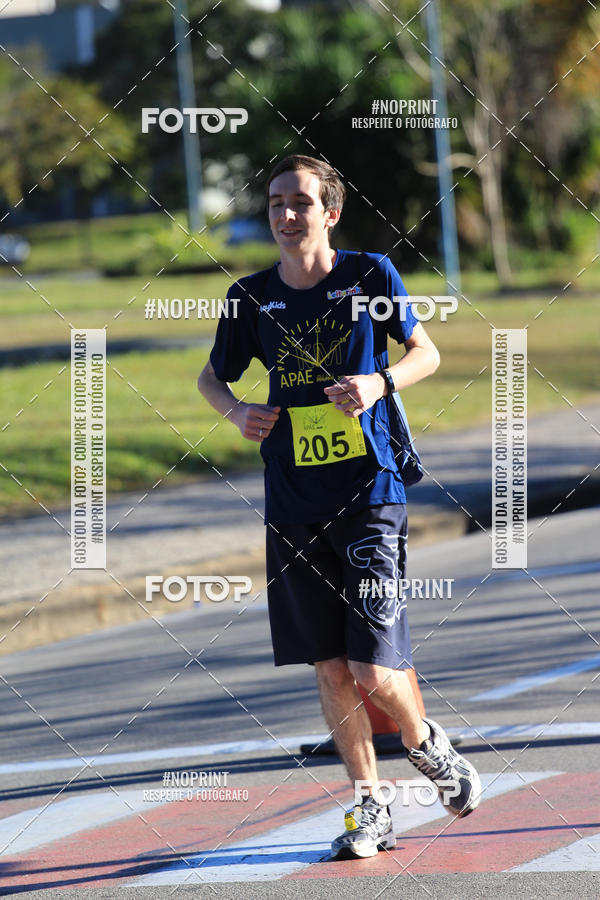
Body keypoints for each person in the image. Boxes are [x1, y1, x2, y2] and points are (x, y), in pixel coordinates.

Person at [198, 154, 480, 860]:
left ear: (331, 212)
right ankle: (370, 808)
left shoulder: (368, 276)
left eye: (299, 202)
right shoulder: (250, 297)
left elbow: (426, 353)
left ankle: (426, 744)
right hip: (293, 499)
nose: (285, 214)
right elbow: (211, 377)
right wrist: (237, 411)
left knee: (372, 670)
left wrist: (379, 383)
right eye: (275, 202)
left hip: (369, 493)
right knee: (329, 668)